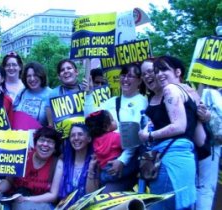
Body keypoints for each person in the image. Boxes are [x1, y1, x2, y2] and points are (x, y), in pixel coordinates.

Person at [139, 55, 201, 210]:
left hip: (170, 161)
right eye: (157, 71)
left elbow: (179, 126)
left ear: (178, 72)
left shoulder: (170, 89)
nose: (159, 74)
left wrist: (149, 135)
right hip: (185, 159)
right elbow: (200, 139)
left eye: (164, 69)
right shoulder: (189, 93)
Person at [84, 63, 148, 191]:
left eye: (130, 76)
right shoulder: (112, 101)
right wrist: (89, 94)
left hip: (127, 162)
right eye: (123, 75)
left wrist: (122, 160)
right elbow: (91, 118)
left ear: (139, 81)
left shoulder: (142, 101)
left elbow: (133, 136)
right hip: (106, 163)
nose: (125, 79)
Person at [0, 126, 63, 210]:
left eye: (50, 142)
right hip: (13, 200)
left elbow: (53, 195)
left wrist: (26, 199)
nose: (45, 144)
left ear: (55, 148)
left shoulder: (57, 164)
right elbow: (9, 181)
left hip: (40, 204)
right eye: (42, 140)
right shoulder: (23, 155)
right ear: (35, 143)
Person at [85, 110, 131, 191]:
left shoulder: (95, 141)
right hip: (116, 170)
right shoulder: (115, 137)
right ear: (106, 127)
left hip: (104, 174)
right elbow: (130, 145)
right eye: (112, 120)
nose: (115, 121)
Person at [59, 124, 98, 206]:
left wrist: (91, 169)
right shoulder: (63, 161)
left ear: (89, 139)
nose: (76, 138)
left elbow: (91, 196)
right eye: (72, 135)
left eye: (80, 134)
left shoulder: (95, 161)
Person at [46, 58, 88, 126]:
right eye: (62, 70)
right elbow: (51, 125)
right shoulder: (53, 94)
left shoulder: (86, 90)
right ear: (59, 76)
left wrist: (89, 93)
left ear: (76, 72)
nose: (66, 71)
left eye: (69, 68)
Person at [13, 62, 52, 126]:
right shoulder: (22, 92)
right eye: (29, 76)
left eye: (35, 75)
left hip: (39, 135)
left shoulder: (51, 94)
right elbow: (13, 113)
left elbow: (52, 125)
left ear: (41, 75)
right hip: (19, 134)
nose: (32, 79)